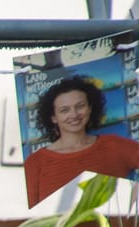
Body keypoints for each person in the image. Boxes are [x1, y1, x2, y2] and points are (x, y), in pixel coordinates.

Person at [24, 76, 139, 208]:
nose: (74, 114)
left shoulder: (114, 146)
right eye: (64, 110)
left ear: (90, 108)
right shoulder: (35, 163)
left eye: (80, 106)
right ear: (53, 117)